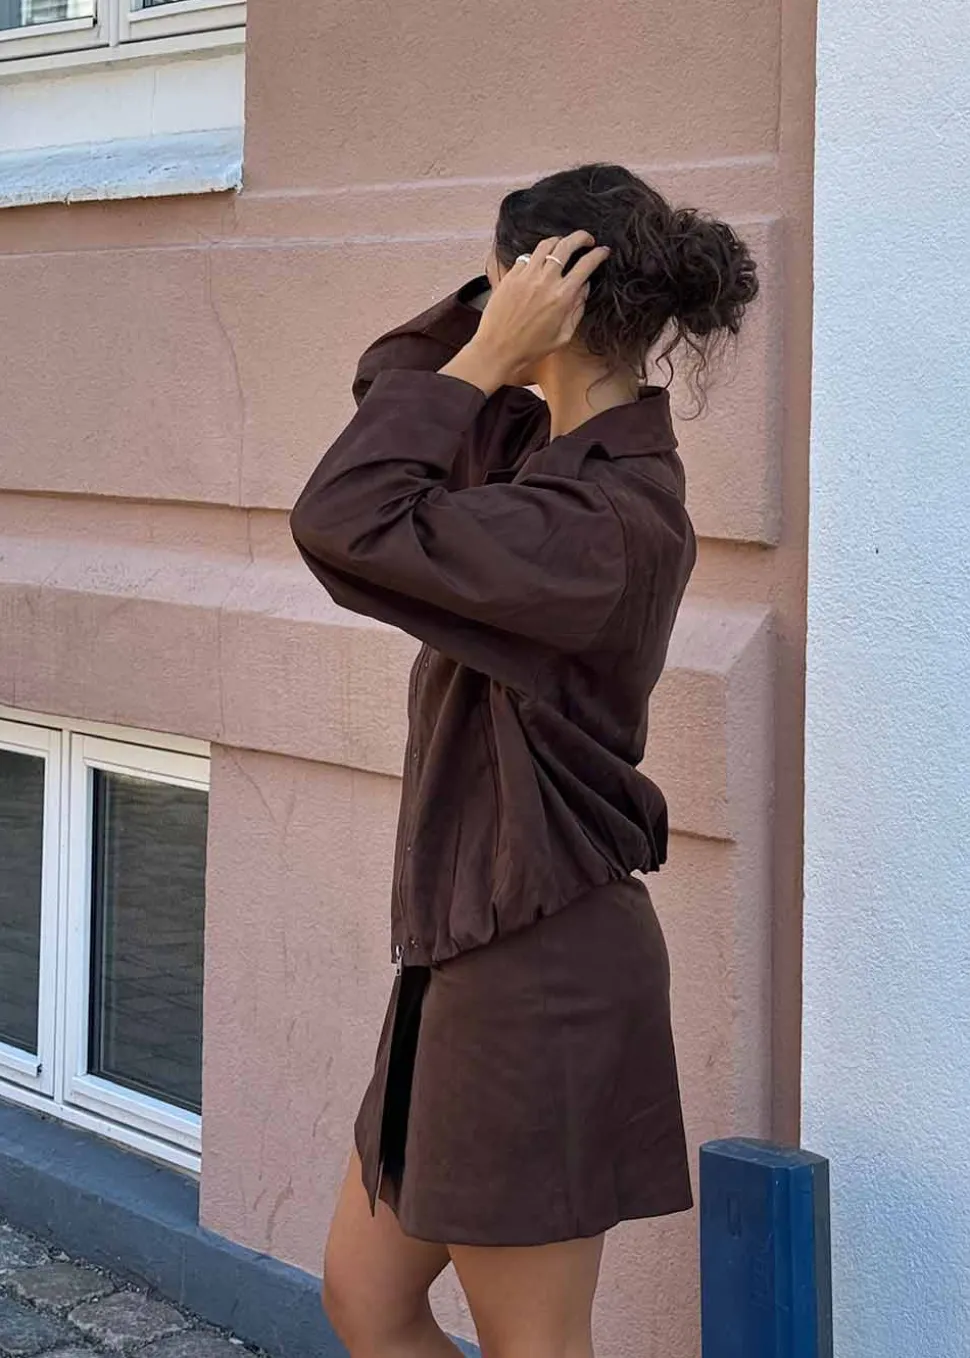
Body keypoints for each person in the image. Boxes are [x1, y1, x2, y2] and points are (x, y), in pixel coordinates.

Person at [290, 162, 758, 1358]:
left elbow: (344, 513)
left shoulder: (602, 522)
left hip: (540, 964)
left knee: (533, 1344)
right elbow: (392, 387)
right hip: (463, 951)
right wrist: (490, 322)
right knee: (365, 1296)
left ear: (547, 296)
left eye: (502, 283)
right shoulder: (533, 458)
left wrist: (496, 342)